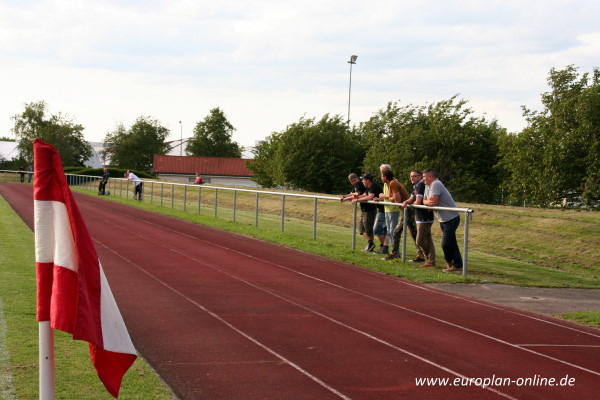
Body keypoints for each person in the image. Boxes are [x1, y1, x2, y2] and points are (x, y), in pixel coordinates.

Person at [422, 168, 462, 272]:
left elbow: (433, 202)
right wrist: (427, 202)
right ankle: (456, 264)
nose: (423, 179)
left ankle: (451, 264)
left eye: (424, 177)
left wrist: (429, 202)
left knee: (446, 244)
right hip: (443, 219)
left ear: (430, 177)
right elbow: (424, 201)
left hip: (451, 218)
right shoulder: (427, 186)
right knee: (451, 242)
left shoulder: (436, 184)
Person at [402, 170, 436, 267]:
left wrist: (409, 205)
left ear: (420, 176)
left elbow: (418, 202)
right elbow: (412, 198)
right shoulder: (416, 186)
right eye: (411, 176)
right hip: (420, 216)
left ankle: (429, 259)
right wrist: (406, 202)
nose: (412, 178)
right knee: (428, 239)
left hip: (424, 217)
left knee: (420, 241)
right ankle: (431, 261)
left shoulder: (421, 185)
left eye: (414, 176)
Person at [378, 169, 410, 261]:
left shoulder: (393, 183)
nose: (381, 178)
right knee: (390, 232)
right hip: (391, 209)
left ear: (385, 177)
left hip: (399, 210)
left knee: (393, 231)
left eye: (382, 176)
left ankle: (395, 253)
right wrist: (381, 198)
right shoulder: (390, 183)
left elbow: (397, 199)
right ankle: (394, 252)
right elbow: (393, 197)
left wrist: (384, 196)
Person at [351, 173, 379, 252]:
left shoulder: (373, 186)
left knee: (368, 229)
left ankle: (371, 245)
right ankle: (370, 243)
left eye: (363, 179)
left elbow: (369, 197)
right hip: (364, 210)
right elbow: (363, 195)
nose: (362, 181)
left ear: (367, 180)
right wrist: (347, 198)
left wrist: (356, 199)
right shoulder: (367, 187)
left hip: (369, 210)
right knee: (361, 228)